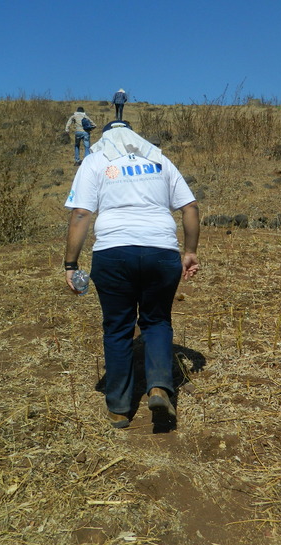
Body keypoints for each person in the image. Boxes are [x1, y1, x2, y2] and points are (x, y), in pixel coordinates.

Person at [63, 120, 200, 429]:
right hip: (161, 252)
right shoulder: (158, 159)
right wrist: (189, 252)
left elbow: (82, 213)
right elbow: (190, 207)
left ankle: (120, 408)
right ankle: (159, 387)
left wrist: (70, 264)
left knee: (117, 328)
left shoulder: (95, 160)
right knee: (157, 320)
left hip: (114, 254)